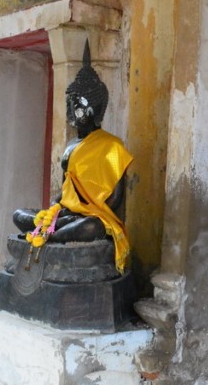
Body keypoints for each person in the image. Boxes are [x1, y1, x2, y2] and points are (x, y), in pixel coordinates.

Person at [13, 42, 134, 272]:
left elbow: (116, 200)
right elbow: (66, 190)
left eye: (77, 104)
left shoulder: (112, 146)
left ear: (95, 110)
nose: (71, 110)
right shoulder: (71, 146)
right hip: (67, 215)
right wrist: (55, 209)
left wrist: (84, 210)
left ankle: (49, 235)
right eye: (69, 103)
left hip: (92, 217)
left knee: (90, 227)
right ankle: (50, 230)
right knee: (19, 214)